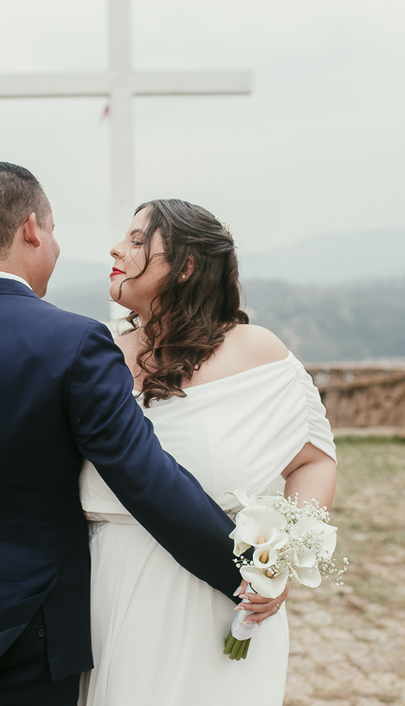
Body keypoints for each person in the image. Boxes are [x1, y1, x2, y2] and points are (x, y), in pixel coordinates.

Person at [0, 163, 285, 706]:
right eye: (53, 230)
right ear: (32, 229)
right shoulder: (74, 342)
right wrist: (240, 570)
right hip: (28, 625)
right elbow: (141, 474)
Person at [78, 198, 338, 705]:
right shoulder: (95, 352)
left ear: (186, 266)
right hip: (100, 588)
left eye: (137, 240)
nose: (116, 248)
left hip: (211, 598)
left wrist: (280, 558)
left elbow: (313, 460)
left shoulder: (258, 354)